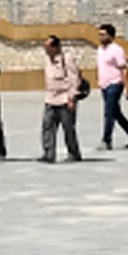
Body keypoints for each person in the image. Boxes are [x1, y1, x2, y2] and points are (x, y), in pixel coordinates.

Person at [96, 24, 128, 150]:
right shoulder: (100, 50)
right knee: (116, 113)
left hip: (115, 84)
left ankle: (106, 140)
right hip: (104, 85)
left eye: (103, 34)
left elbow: (124, 70)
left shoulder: (117, 50)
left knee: (108, 112)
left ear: (110, 35)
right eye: (99, 34)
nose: (100, 37)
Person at [41, 34, 83, 163]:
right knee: (47, 126)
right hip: (50, 98)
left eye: (48, 47)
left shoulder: (67, 59)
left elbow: (74, 79)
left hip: (65, 99)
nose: (46, 50)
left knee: (68, 128)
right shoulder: (47, 59)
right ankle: (49, 153)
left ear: (56, 47)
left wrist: (72, 98)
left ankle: (73, 153)